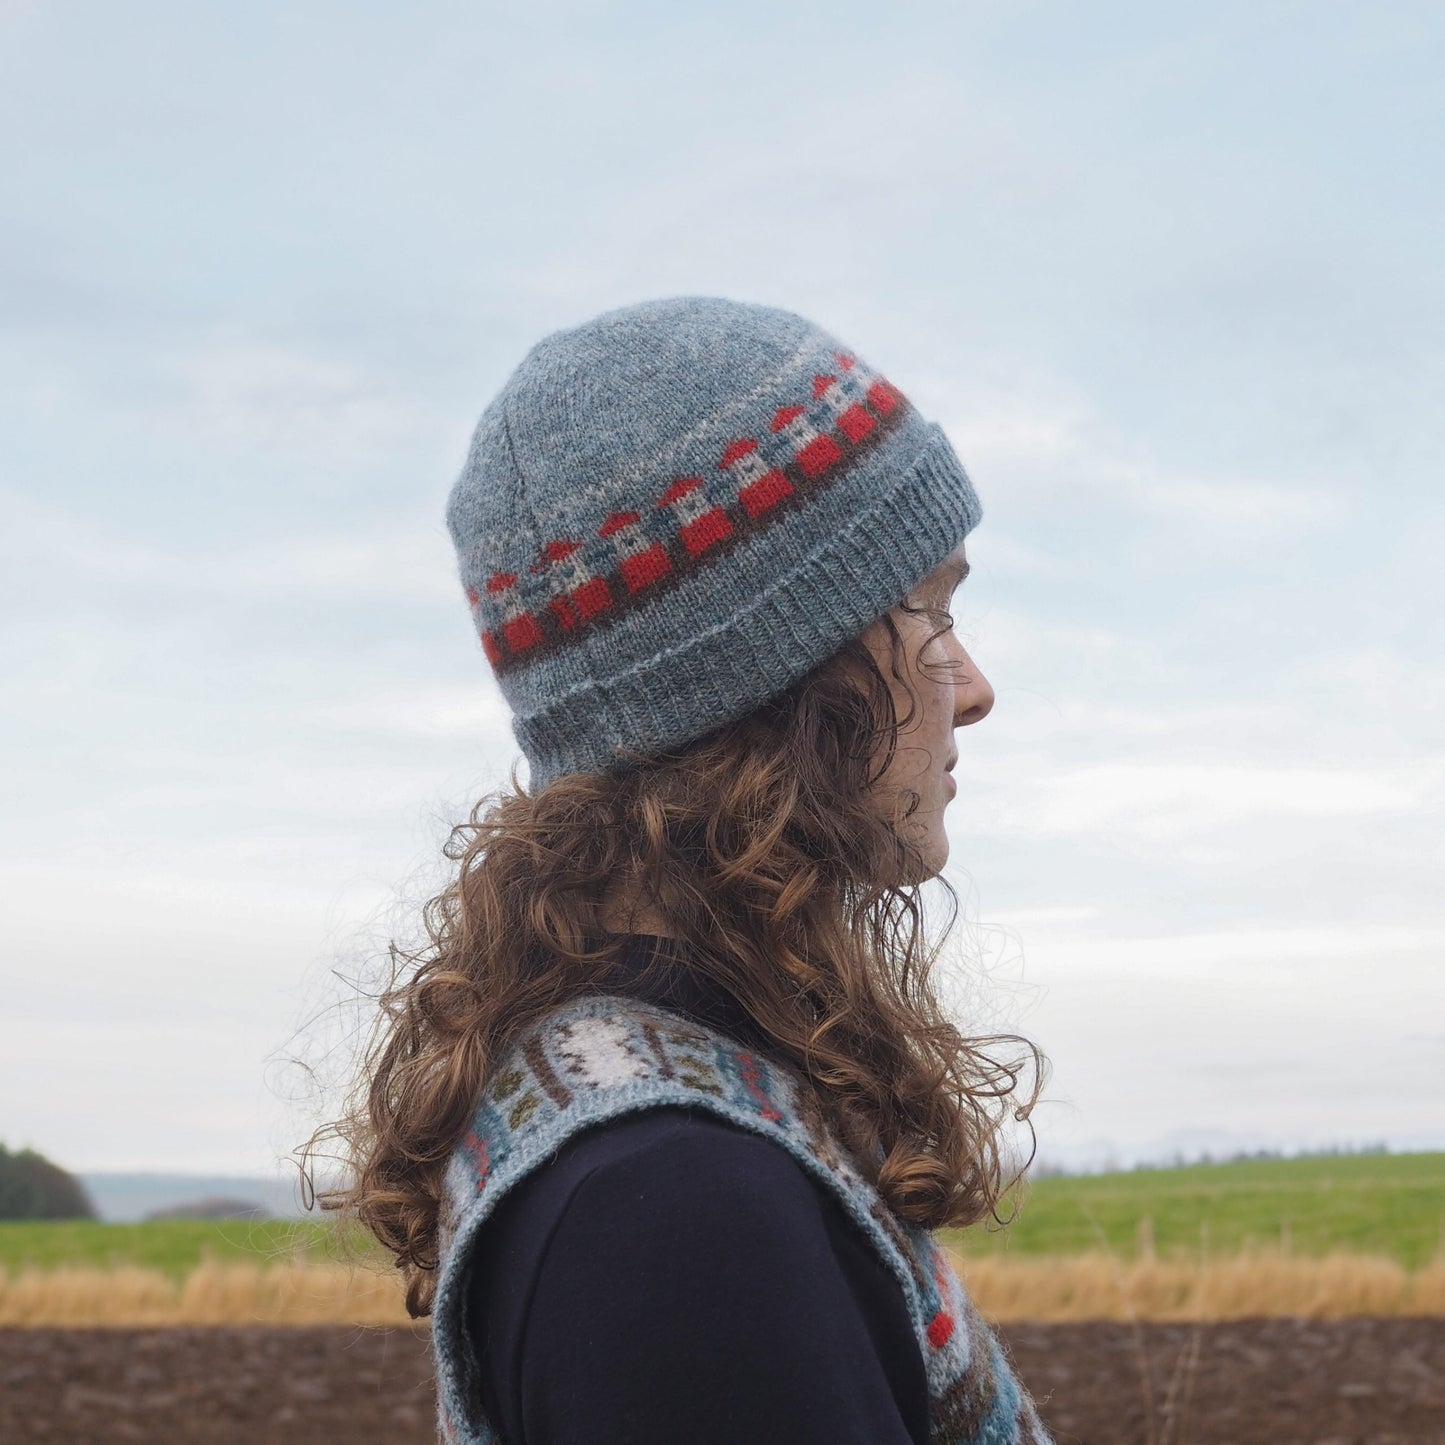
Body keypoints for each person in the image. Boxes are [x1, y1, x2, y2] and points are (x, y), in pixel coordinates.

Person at [305, 296, 1052, 1444]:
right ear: (768, 666)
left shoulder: (660, 1114)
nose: (974, 686)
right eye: (926, 610)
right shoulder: (676, 1204)